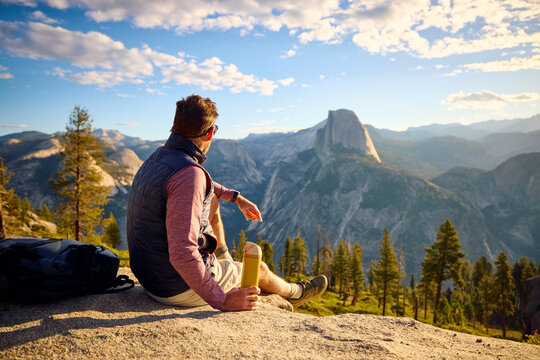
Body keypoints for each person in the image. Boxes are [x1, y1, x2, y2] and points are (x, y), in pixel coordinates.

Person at [127, 94, 327, 311]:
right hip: (175, 287)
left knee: (211, 199)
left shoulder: (159, 157)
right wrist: (222, 301)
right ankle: (296, 293)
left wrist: (236, 197)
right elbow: (183, 252)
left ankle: (224, 257)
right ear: (211, 132)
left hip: (150, 276)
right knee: (259, 269)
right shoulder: (188, 175)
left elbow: (200, 185)